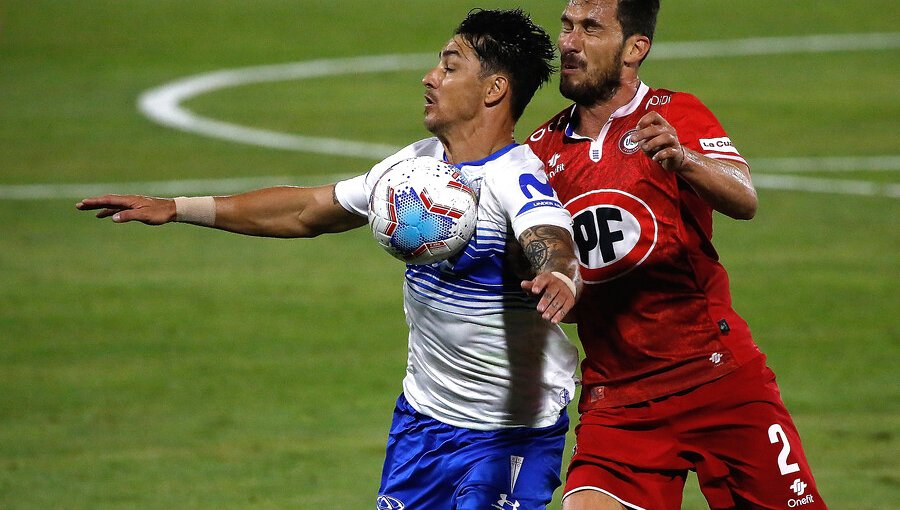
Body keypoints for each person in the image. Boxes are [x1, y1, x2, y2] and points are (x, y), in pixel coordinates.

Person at [78, 9, 582, 510]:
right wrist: (179, 208)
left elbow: (546, 229)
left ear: (494, 89)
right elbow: (307, 209)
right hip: (424, 421)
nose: (430, 78)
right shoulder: (413, 167)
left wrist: (557, 272)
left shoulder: (513, 176)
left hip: (509, 434)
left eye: (450, 67)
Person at [526, 1, 827, 509]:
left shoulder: (674, 112)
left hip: (717, 377)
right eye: (567, 26)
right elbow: (563, 279)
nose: (570, 43)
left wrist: (685, 159)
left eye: (591, 28)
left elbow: (744, 198)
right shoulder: (541, 152)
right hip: (619, 401)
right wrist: (555, 283)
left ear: (635, 48)